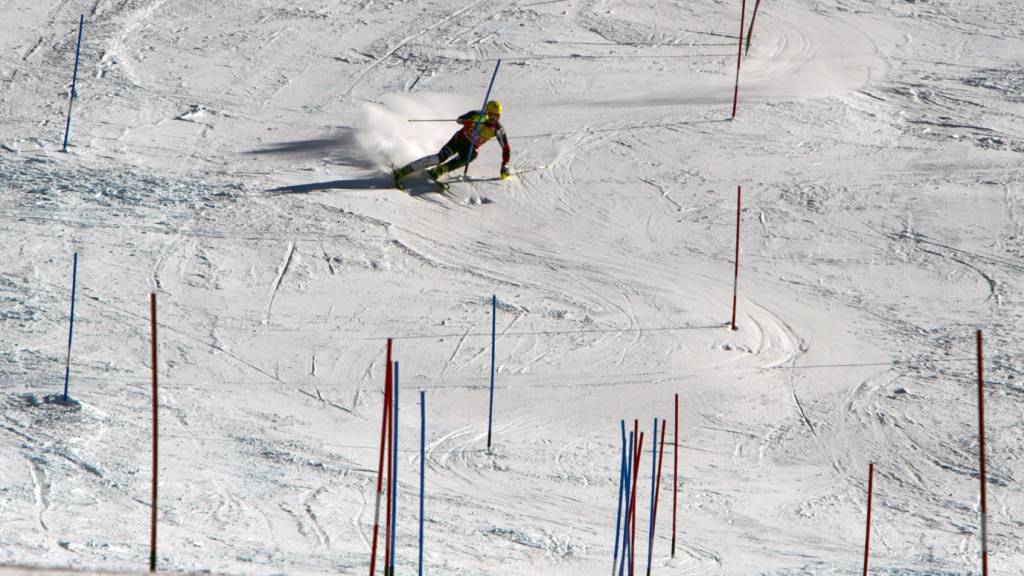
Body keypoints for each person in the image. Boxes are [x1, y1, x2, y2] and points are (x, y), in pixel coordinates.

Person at [393, 100, 511, 186]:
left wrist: (504, 165)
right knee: (440, 158)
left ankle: (439, 170)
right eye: (491, 114)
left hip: (471, 147)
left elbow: (506, 148)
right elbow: (459, 120)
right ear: (486, 111)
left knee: (473, 154)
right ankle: (405, 170)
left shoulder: (498, 130)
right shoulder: (477, 115)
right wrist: (468, 122)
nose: (494, 118)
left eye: (497, 115)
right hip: (459, 140)